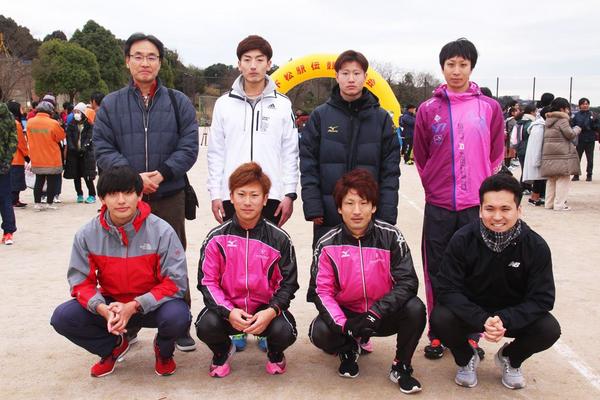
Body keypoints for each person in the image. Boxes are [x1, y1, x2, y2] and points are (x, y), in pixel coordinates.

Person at [93, 32, 199, 350]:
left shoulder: (178, 102)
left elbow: (189, 146)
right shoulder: (111, 104)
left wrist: (163, 173)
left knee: (173, 258)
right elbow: (102, 147)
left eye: (151, 57)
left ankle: (179, 323)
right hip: (125, 199)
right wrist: (133, 180)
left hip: (169, 194)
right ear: (127, 61)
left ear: (160, 63)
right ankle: (130, 322)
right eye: (138, 56)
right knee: (124, 261)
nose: (145, 63)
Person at [50, 166, 190, 377]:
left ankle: (164, 352)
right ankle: (113, 346)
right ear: (102, 198)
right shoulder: (87, 234)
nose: (122, 200)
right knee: (63, 317)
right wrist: (102, 309)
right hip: (112, 304)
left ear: (140, 195)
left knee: (178, 316)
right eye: (113, 194)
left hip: (152, 304)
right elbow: (80, 282)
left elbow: (175, 282)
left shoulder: (162, 231)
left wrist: (135, 305)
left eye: (128, 193)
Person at [413, 38, 504, 360]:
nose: (456, 70)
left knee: (475, 271)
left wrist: (483, 192)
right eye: (450, 64)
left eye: (462, 64)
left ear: (471, 67)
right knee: (437, 270)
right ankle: (439, 333)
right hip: (439, 205)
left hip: (474, 208)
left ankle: (472, 334)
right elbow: (421, 156)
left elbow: (496, 153)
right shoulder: (428, 109)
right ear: (442, 67)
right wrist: (434, 187)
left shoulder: (489, 108)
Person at [431, 173, 560, 389]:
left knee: (549, 329)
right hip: (473, 313)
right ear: (480, 210)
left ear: (519, 210)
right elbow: (447, 288)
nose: (497, 216)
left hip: (512, 315)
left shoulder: (536, 246)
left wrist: (505, 319)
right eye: (490, 209)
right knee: (440, 317)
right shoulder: (462, 240)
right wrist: (482, 319)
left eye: (505, 209)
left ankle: (511, 357)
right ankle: (465, 357)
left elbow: (543, 298)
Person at [307, 169, 425, 394]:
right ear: (339, 208)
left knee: (415, 308)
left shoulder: (391, 236)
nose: (357, 211)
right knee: (319, 331)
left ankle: (401, 365)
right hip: (349, 315)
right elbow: (321, 292)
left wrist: (376, 312)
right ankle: (349, 349)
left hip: (382, 314)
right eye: (349, 203)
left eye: (363, 203)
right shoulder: (326, 243)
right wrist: (344, 324)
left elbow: (408, 282)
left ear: (374, 207)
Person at [196, 162, 299, 377]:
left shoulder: (280, 239)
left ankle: (275, 353)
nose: (247, 202)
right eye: (241, 194)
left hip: (265, 311)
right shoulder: (216, 238)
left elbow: (288, 284)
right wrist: (228, 311)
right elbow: (207, 282)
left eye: (254, 195)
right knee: (205, 325)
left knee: (285, 331)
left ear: (265, 199)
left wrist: (270, 312)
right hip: (229, 310)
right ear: (231, 197)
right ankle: (222, 351)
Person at [300, 50, 400, 248]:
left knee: (368, 266)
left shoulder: (381, 119)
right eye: (345, 73)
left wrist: (387, 213)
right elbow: (308, 164)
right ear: (337, 77)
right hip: (328, 215)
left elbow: (390, 170)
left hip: (369, 215)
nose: (351, 79)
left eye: (356, 73)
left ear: (365, 77)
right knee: (327, 265)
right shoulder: (320, 116)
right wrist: (313, 206)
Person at [207, 35, 298, 227]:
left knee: (269, 245)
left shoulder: (282, 104)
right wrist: (215, 193)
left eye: (259, 60)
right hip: (232, 195)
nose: (253, 66)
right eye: (247, 60)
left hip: (271, 195)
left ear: (269, 64)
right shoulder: (223, 104)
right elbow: (216, 152)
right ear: (239, 64)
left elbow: (290, 152)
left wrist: (289, 193)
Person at [540, 97, 581, 211]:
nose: (568, 111)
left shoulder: (548, 120)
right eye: (567, 108)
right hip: (562, 154)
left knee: (551, 179)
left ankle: (549, 203)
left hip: (550, 154)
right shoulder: (562, 120)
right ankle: (559, 204)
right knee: (563, 179)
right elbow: (570, 134)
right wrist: (577, 129)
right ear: (562, 109)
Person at [26, 101, 65, 210]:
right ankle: (49, 203)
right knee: (51, 181)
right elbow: (60, 137)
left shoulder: (30, 122)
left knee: (39, 180)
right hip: (51, 157)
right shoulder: (53, 123)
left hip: (36, 157)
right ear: (50, 111)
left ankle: (37, 203)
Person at [64, 102, 97, 204]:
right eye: (75, 112)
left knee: (87, 175)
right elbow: (69, 137)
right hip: (74, 154)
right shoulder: (71, 124)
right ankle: (79, 194)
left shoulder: (89, 124)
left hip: (86, 154)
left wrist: (84, 147)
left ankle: (92, 195)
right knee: (76, 175)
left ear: (83, 113)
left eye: (78, 112)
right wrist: (72, 147)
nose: (76, 114)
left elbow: (89, 137)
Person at [522, 108, 548, 206]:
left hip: (536, 156)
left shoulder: (538, 125)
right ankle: (534, 198)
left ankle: (536, 197)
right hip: (537, 156)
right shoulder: (539, 127)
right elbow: (537, 144)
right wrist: (537, 160)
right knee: (538, 178)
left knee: (539, 179)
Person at [0, 102, 18, 245]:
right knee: (5, 198)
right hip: (3, 163)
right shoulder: (9, 115)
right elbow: (13, 140)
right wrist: (7, 160)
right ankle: (8, 233)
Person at [7, 101, 29, 208]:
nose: (22, 111)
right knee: (16, 181)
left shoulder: (5, 122)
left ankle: (13, 200)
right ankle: (14, 200)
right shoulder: (16, 124)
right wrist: (27, 155)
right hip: (16, 157)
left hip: (7, 157)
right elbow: (21, 142)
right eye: (20, 108)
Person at [572, 98, 599, 181]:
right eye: (583, 104)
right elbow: (573, 125)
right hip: (580, 139)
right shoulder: (576, 115)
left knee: (590, 158)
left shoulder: (594, 114)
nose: (585, 105)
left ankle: (589, 175)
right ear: (580, 105)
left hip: (590, 139)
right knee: (577, 158)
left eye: (587, 104)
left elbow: (597, 126)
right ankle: (576, 175)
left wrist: (594, 122)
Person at [511, 103, 536, 191]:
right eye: (535, 111)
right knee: (527, 169)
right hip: (527, 147)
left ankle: (523, 186)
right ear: (532, 112)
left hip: (520, 147)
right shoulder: (530, 123)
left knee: (524, 168)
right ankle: (524, 186)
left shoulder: (520, 121)